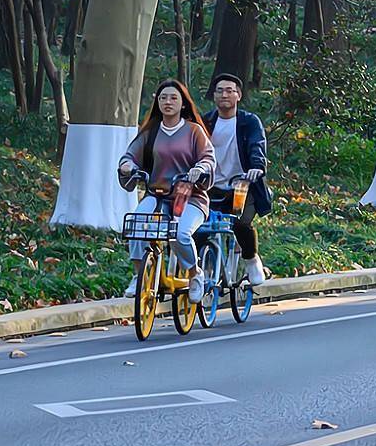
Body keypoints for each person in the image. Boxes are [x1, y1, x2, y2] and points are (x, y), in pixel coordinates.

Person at [117, 79, 215, 302]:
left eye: (173, 98)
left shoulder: (194, 131)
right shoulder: (150, 132)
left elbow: (208, 159)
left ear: (183, 103)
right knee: (137, 225)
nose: (167, 102)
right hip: (157, 194)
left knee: (181, 233)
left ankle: (194, 274)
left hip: (190, 197)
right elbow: (129, 156)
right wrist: (128, 166)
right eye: (163, 98)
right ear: (157, 102)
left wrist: (198, 170)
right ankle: (139, 274)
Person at [205, 73, 273, 286]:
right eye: (219, 91)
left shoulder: (249, 121)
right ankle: (205, 267)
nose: (224, 95)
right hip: (210, 187)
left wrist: (256, 168)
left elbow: (256, 146)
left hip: (242, 186)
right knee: (200, 227)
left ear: (238, 95)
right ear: (213, 96)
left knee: (241, 224)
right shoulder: (205, 121)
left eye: (229, 90)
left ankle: (251, 260)